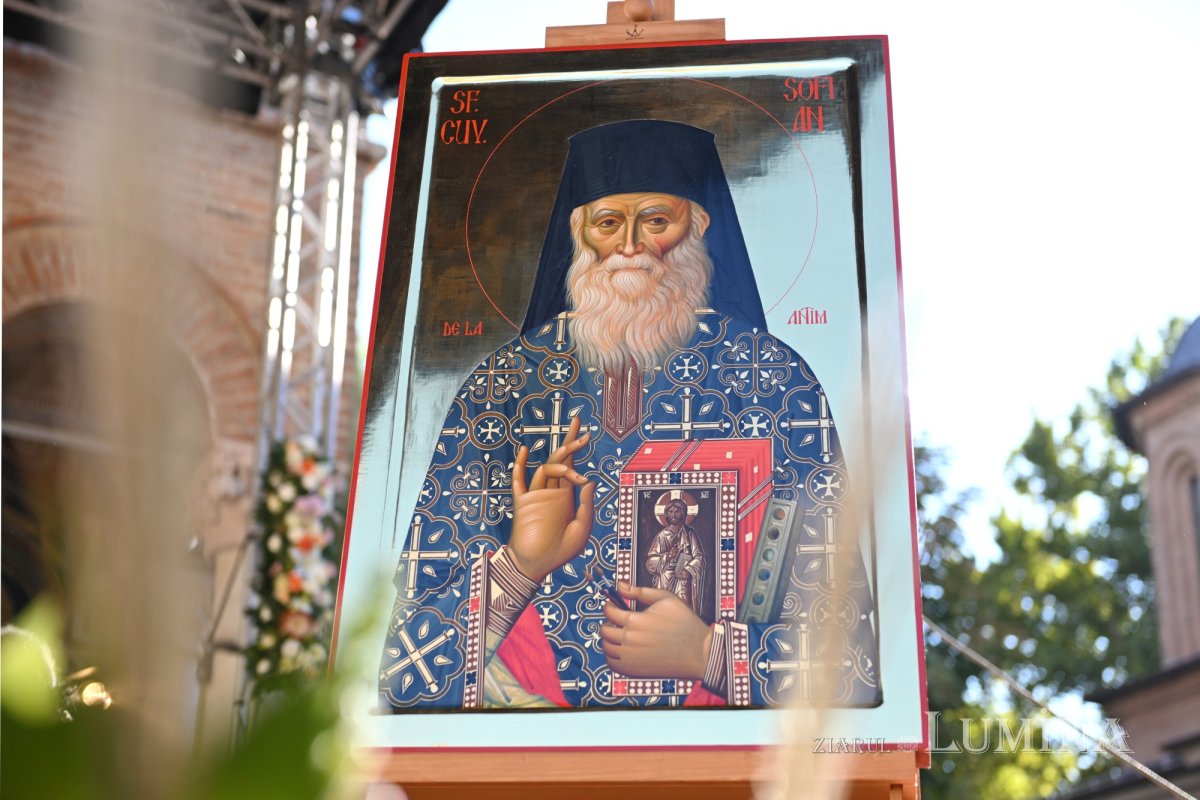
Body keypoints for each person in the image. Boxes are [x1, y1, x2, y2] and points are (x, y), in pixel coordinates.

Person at [379, 120, 879, 710]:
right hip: (534, 750)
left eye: (657, 221)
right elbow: (404, 675)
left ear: (698, 226)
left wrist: (710, 654)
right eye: (608, 223)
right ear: (579, 232)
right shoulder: (502, 386)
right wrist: (520, 566)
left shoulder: (772, 380)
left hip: (724, 753)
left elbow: (849, 660)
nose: (631, 245)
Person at [646, 498, 706, 617]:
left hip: (682, 579)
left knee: (683, 610)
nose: (673, 514)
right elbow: (650, 562)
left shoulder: (690, 534)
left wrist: (688, 570)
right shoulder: (661, 536)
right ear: (666, 514)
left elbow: (699, 557)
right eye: (670, 511)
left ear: (683, 514)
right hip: (665, 579)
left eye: (677, 511)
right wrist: (667, 557)